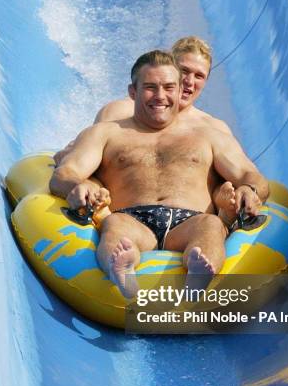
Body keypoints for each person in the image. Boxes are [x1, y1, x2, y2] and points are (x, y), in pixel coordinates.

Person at [50, 50, 269, 297]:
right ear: (133, 92)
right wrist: (75, 186)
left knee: (211, 225)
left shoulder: (208, 136)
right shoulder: (106, 133)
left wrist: (249, 191)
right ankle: (122, 266)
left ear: (179, 91)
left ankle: (199, 272)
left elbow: (251, 175)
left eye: (168, 87)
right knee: (115, 226)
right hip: (131, 219)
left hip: (190, 222)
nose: (161, 96)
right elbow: (66, 172)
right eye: (150, 88)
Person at [54, 36, 258, 218]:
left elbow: (235, 178)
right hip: (123, 215)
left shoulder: (213, 129)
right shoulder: (119, 114)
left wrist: (243, 192)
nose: (189, 82)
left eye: (199, 75)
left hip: (193, 220)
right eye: (184, 71)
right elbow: (90, 161)